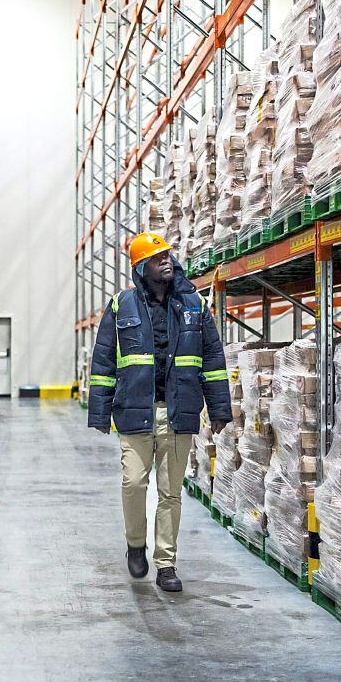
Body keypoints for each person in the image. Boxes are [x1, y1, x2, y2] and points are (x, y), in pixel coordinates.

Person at [87, 232, 232, 593]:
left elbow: (213, 359)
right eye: (157, 258)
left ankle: (166, 563)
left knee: (170, 492)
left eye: (168, 254)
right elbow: (104, 360)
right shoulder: (122, 305)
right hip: (135, 410)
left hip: (178, 411)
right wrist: (100, 412)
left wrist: (219, 408)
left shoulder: (194, 304)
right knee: (134, 483)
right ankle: (136, 544)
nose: (166, 261)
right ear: (141, 268)